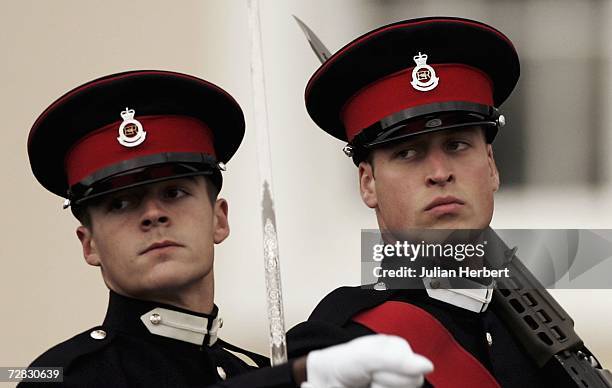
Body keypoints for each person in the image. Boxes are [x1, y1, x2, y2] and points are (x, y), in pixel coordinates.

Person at [20, 70, 433, 387]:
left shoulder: (251, 368)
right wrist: (294, 378)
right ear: (89, 244)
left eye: (175, 193)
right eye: (121, 203)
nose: (152, 215)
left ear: (219, 218)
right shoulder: (62, 376)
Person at [287, 17, 608, 387]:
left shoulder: (552, 346)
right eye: (408, 153)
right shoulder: (338, 347)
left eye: (457, 146)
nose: (439, 172)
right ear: (368, 184)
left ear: (491, 167)